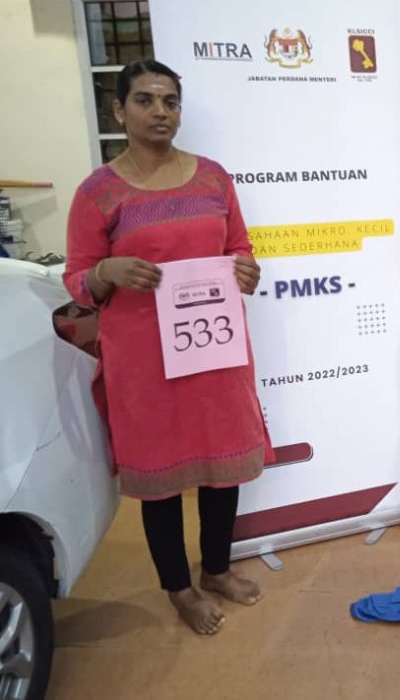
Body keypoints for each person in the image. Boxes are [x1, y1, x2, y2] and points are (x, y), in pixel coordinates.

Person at [63, 59, 273, 635]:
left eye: (170, 101)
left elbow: (239, 247)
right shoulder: (98, 193)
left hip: (214, 349)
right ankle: (179, 587)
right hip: (144, 360)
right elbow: (77, 278)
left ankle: (217, 569)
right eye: (145, 100)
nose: (160, 111)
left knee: (223, 465)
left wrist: (247, 269)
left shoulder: (213, 179)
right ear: (119, 110)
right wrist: (105, 270)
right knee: (160, 477)